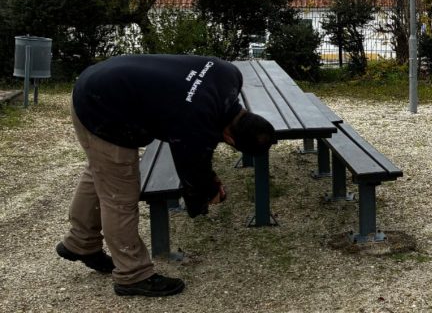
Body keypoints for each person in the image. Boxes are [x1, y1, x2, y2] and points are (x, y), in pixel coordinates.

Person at [56, 55, 275, 297]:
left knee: (104, 170)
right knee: (120, 195)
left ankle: (81, 242)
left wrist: (207, 181)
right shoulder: (195, 121)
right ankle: (132, 275)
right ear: (230, 139)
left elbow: (197, 145)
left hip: (102, 80)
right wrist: (207, 195)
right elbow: (193, 171)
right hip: (100, 106)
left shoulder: (230, 74)